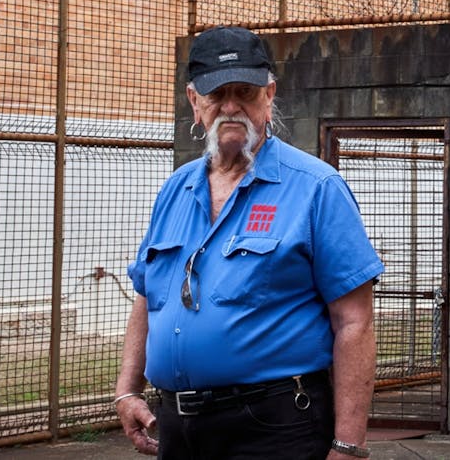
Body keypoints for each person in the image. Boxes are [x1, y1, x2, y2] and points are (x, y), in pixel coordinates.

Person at [114, 26, 384, 459]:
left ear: (270, 95)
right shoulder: (175, 190)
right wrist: (126, 391)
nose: (232, 107)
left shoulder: (316, 189)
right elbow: (148, 295)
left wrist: (348, 445)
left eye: (246, 92)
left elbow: (355, 322)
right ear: (194, 103)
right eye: (217, 95)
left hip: (274, 427)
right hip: (179, 430)